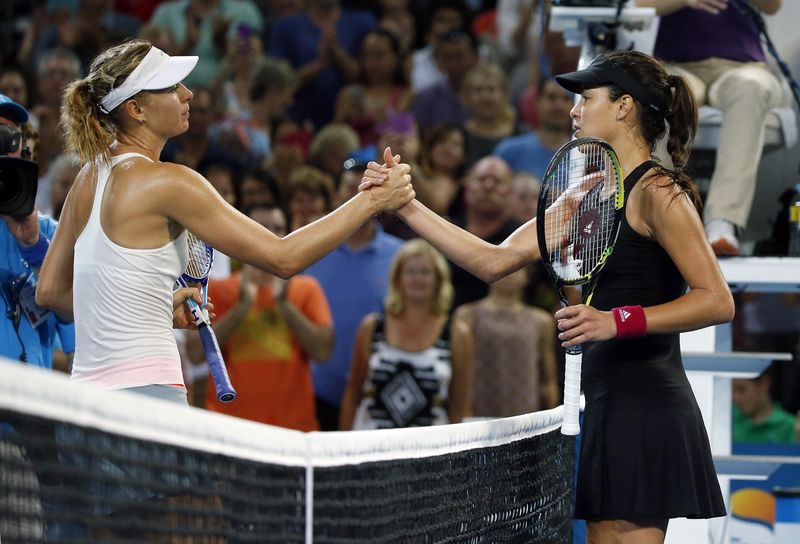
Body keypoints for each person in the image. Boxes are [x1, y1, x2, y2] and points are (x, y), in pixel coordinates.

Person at [364, 50, 734, 543]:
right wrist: (406, 206)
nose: (574, 111)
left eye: (586, 98)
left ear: (624, 106)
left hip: (647, 407)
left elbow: (716, 300)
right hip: (604, 402)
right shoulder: (587, 193)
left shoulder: (660, 192)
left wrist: (613, 321)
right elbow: (491, 261)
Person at [35, 40, 413, 406]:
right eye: (172, 88)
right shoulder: (170, 182)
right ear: (136, 109)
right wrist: (372, 200)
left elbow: (49, 292)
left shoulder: (88, 176)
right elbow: (284, 257)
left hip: (83, 399)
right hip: (147, 399)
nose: (188, 95)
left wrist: (149, 308)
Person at [635, 0, 784, 256]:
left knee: (751, 88)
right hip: (678, 66)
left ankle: (722, 223)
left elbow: (772, 6)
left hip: (743, 67)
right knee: (665, 94)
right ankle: (657, 219)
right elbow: (634, 5)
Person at [186, 204, 333, 430]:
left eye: (278, 228)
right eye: (261, 227)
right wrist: (241, 308)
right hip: (230, 428)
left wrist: (286, 305)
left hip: (293, 429)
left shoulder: (307, 288)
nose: (270, 235)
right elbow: (195, 354)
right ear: (243, 232)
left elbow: (323, 352)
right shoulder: (217, 289)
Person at [305, 158, 404, 430]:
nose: (360, 196)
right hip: (314, 393)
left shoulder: (399, 256)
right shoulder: (310, 249)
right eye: (351, 188)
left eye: (368, 189)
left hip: (379, 397)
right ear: (335, 195)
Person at [339, 239, 473, 430]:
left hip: (430, 449)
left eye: (425, 272)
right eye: (410, 271)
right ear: (398, 278)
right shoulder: (372, 327)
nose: (417, 278)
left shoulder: (457, 333)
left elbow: (459, 407)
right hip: (371, 445)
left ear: (439, 280)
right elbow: (352, 395)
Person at [0, 93, 74, 369]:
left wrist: (35, 247)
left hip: (29, 405)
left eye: (8, 136)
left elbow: (74, 317)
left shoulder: (49, 233)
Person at [454, 266, 558, 417]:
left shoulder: (541, 321)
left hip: (526, 415)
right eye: (504, 269)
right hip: (477, 414)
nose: (510, 275)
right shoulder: (467, 315)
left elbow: (548, 377)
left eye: (516, 269)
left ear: (527, 277)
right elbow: (458, 375)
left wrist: (550, 414)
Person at [492, 77, 574, 178]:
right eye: (551, 97)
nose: (559, 105)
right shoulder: (508, 151)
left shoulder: (583, 155)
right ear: (537, 103)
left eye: (566, 99)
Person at [732, 366, 798, 444]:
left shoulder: (791, 427)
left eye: (741, 389)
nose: (735, 397)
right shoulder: (726, 422)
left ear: (764, 384)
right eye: (732, 390)